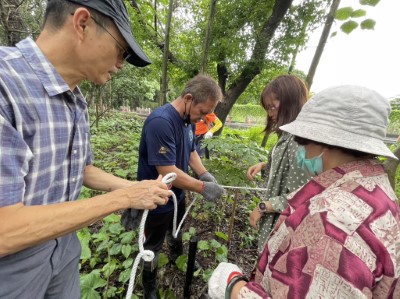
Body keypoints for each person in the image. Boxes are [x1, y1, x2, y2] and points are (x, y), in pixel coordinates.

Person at [0, 1, 172, 298]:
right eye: (122, 50)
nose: (121, 63)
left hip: (64, 249)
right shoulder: (6, 84)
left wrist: (135, 189)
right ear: (82, 23)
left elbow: (81, 169)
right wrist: (123, 197)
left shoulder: (76, 99)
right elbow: (5, 229)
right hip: (12, 267)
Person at [208, 85, 400, 298]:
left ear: (323, 142)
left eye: (303, 142)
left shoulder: (332, 224)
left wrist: (232, 287)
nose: (302, 151)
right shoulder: (376, 189)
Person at [122, 74, 225, 299]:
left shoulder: (188, 121)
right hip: (156, 199)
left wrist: (204, 174)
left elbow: (190, 151)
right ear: (188, 98)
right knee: (153, 245)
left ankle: (177, 254)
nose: (202, 119)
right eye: (201, 112)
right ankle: (149, 284)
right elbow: (167, 170)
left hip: (177, 195)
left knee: (176, 228)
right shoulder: (161, 122)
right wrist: (201, 187)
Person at [246, 74, 311, 254]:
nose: (270, 114)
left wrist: (264, 207)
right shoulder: (289, 134)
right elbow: (292, 168)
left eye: (272, 107)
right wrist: (265, 165)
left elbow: (304, 195)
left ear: (290, 103)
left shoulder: (299, 141)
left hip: (285, 226)